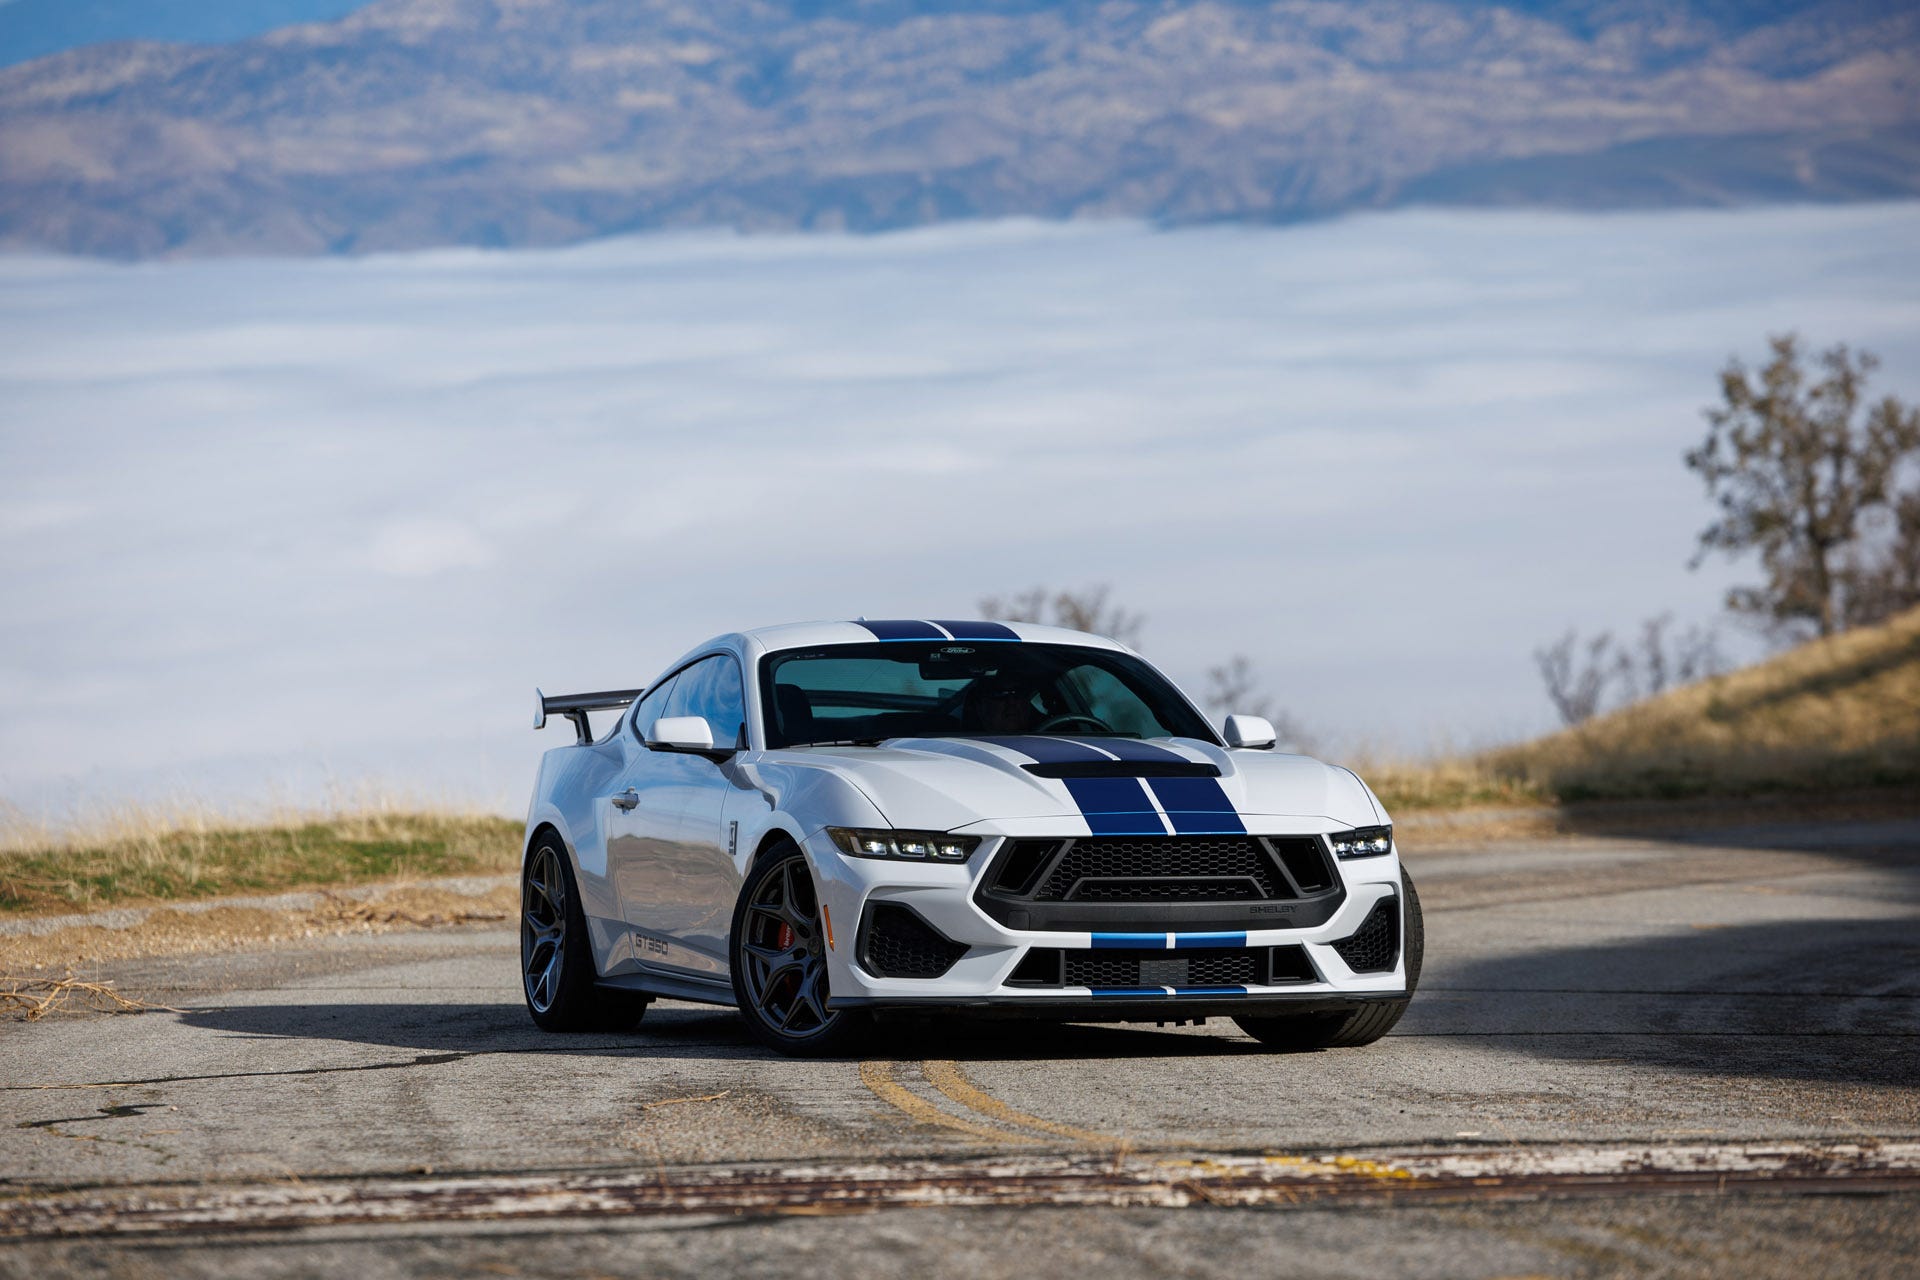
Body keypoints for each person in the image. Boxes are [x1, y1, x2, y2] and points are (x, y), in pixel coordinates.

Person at [966, 670, 1044, 734]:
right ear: (980, 706)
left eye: (1018, 693)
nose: (1011, 702)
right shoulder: (962, 747)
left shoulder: (1050, 734)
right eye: (1000, 694)